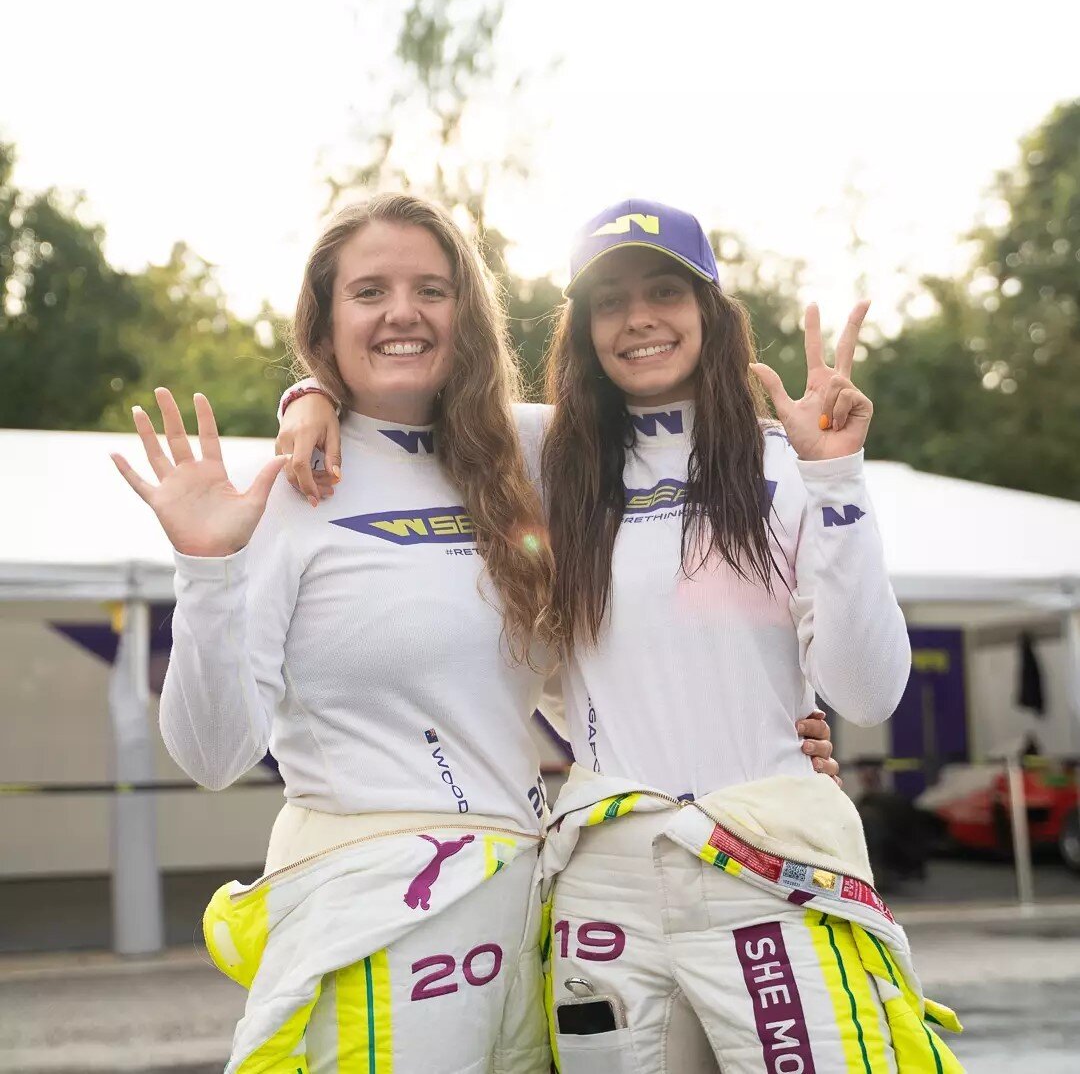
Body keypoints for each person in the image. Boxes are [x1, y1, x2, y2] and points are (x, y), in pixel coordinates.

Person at [279, 199, 962, 1073]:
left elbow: (868, 694)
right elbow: (407, 392)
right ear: (584, 328)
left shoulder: (790, 463)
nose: (639, 318)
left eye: (665, 291)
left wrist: (837, 476)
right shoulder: (544, 458)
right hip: (606, 883)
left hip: (770, 868)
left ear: (710, 312)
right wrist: (312, 392)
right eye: (611, 300)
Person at [111, 194, 558, 1074]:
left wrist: (762, 735)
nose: (403, 312)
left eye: (432, 288)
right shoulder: (288, 491)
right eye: (369, 291)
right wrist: (208, 572)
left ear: (468, 312)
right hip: (373, 902)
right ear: (324, 320)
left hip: (529, 904)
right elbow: (211, 754)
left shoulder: (525, 457)